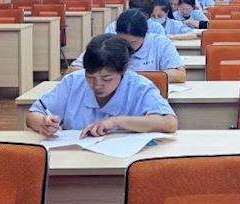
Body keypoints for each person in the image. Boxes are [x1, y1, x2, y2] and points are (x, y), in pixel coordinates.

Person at [27, 34, 178, 138]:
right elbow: (32, 115)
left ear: (123, 72)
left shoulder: (139, 86)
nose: (97, 85)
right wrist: (43, 123)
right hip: (76, 162)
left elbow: (169, 122)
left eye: (106, 79)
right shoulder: (73, 82)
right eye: (90, 77)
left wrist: (116, 122)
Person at [73, 9, 187, 82]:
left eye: (134, 42)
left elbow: (180, 75)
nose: (129, 47)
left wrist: (132, 78)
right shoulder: (106, 43)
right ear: (116, 34)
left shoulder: (160, 43)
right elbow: (73, 70)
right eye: (123, 41)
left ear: (145, 35)